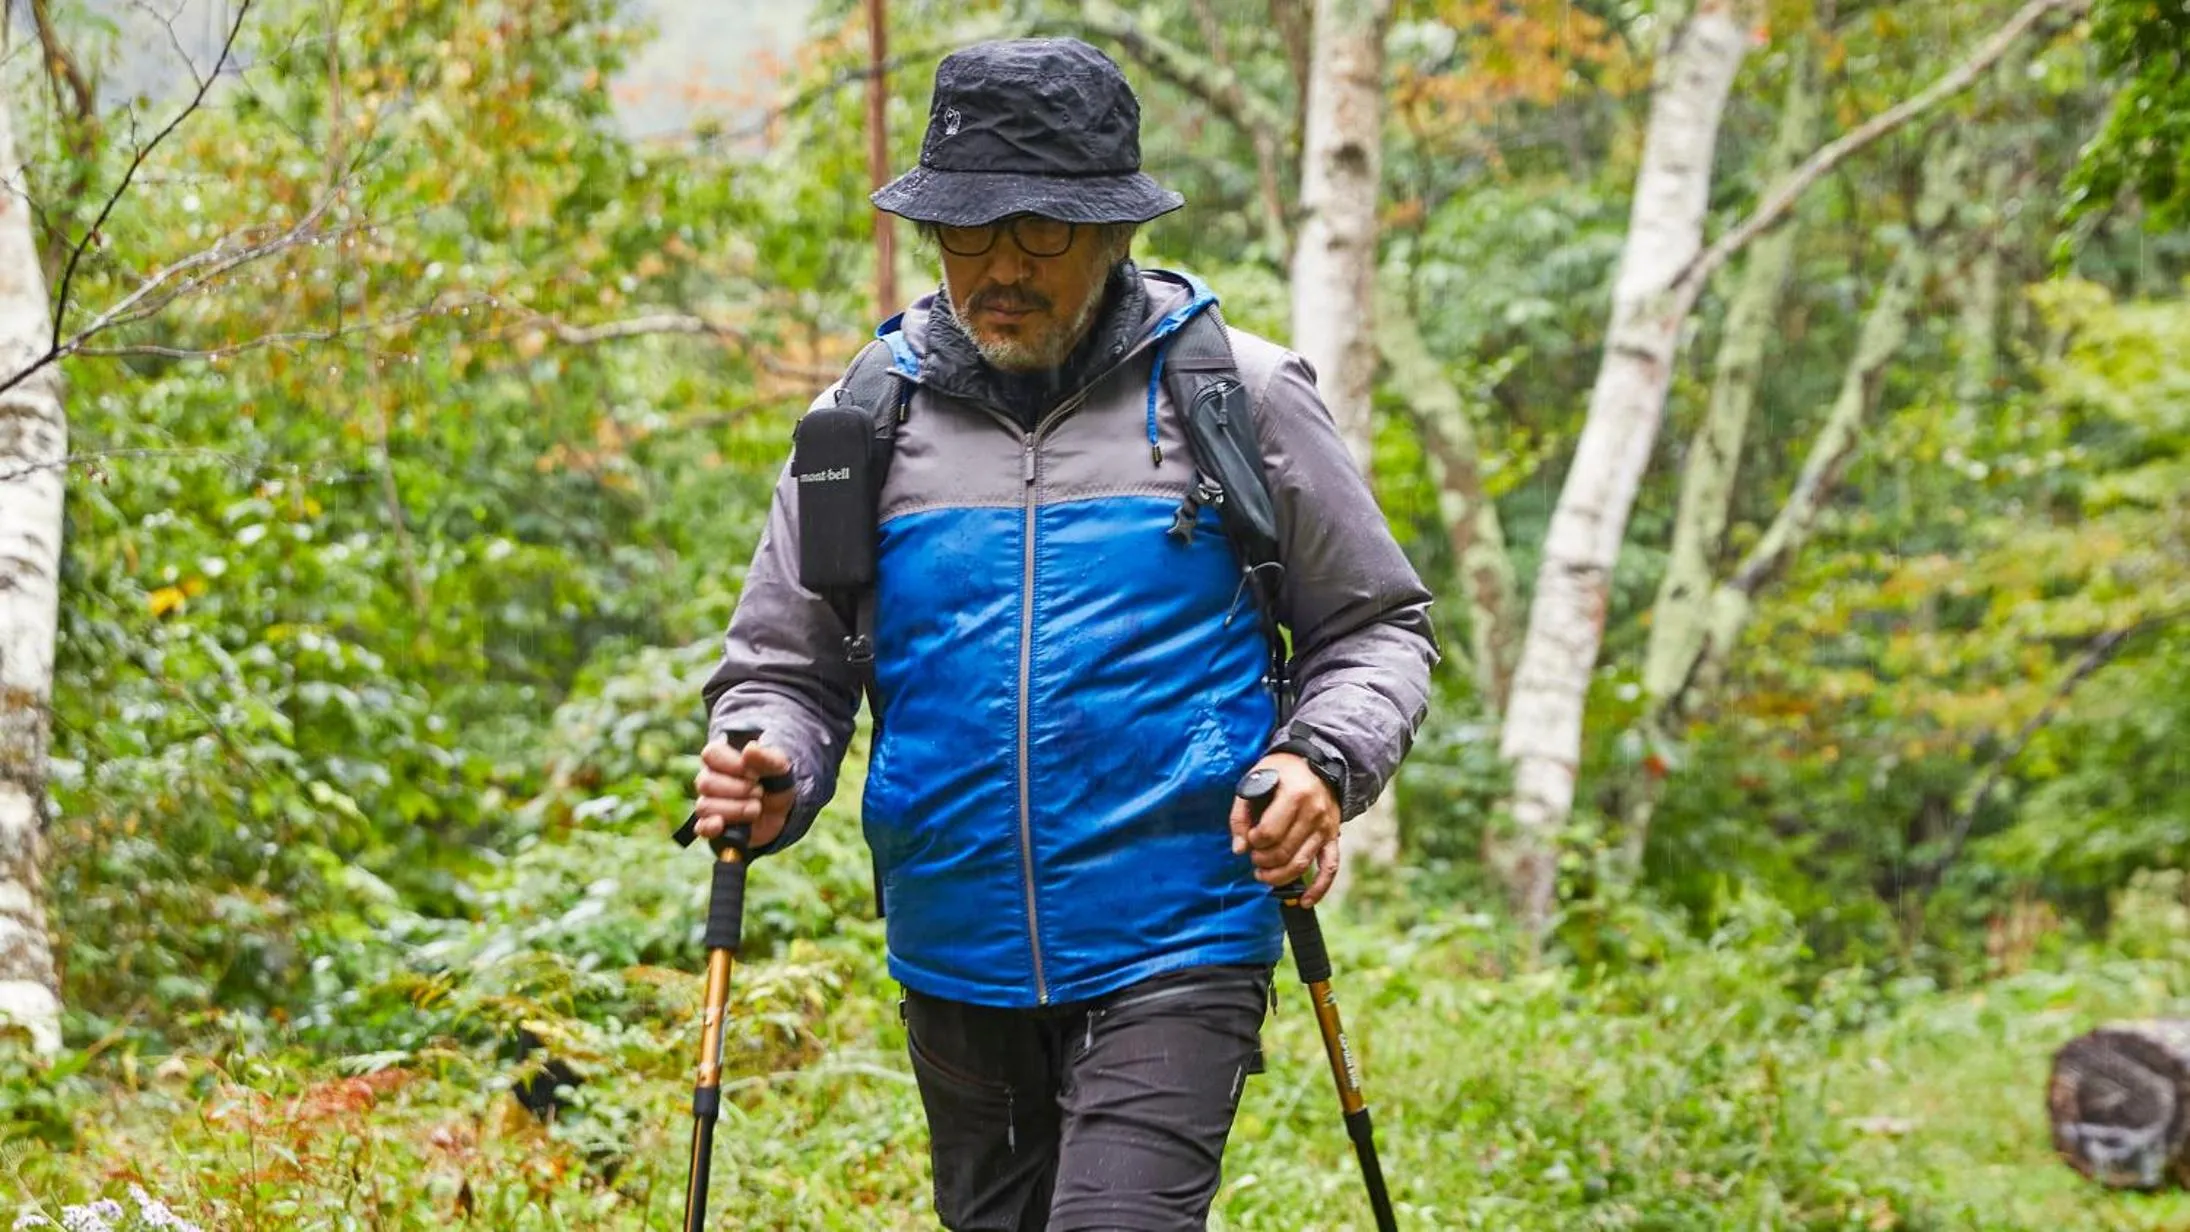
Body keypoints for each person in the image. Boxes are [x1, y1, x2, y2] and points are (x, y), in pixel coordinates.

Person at [691, 36, 1436, 1232]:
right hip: (954, 948)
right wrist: (770, 754)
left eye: (1039, 231)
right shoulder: (861, 421)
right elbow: (788, 664)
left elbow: (1377, 625)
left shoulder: (1236, 395)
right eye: (967, 231)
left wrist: (1319, 759)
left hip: (1180, 933)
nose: (1000, 267)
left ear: (1113, 229)